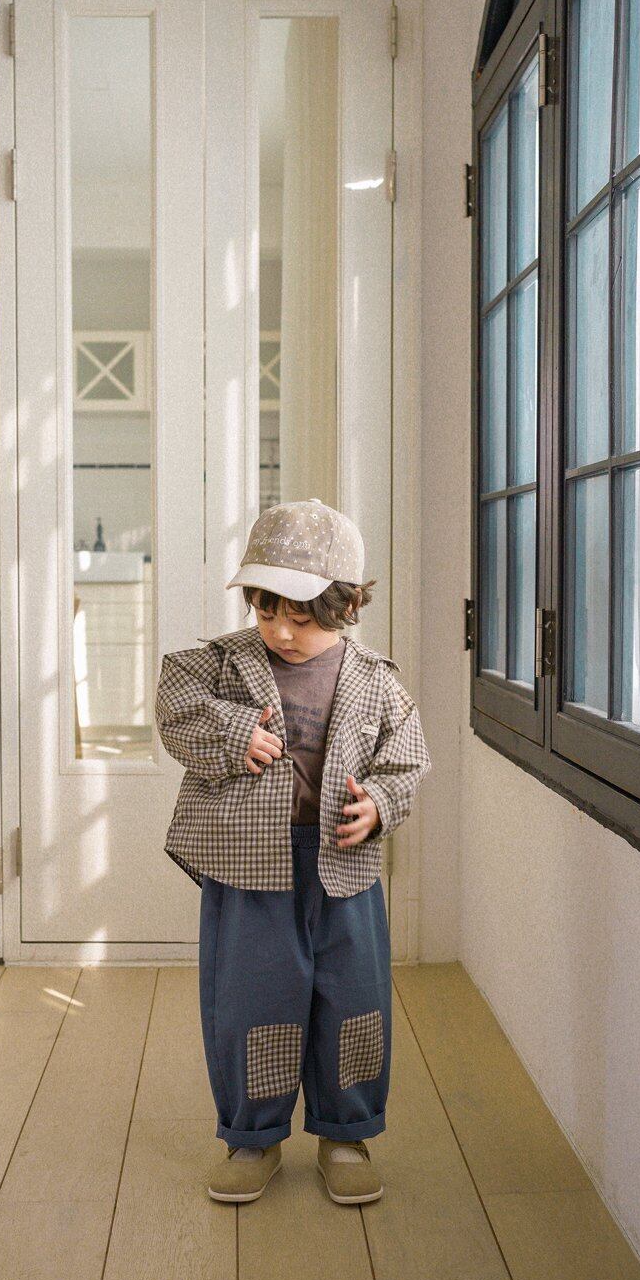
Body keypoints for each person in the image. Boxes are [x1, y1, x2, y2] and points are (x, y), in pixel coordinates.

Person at [154, 499, 431, 1205]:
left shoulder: (376, 680)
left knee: (353, 998)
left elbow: (407, 759)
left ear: (347, 605)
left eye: (302, 618)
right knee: (252, 1000)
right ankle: (253, 1137)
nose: (281, 631)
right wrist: (234, 731)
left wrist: (380, 804)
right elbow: (173, 703)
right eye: (266, 610)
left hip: (345, 866)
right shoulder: (222, 665)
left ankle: (347, 1132)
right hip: (250, 867)